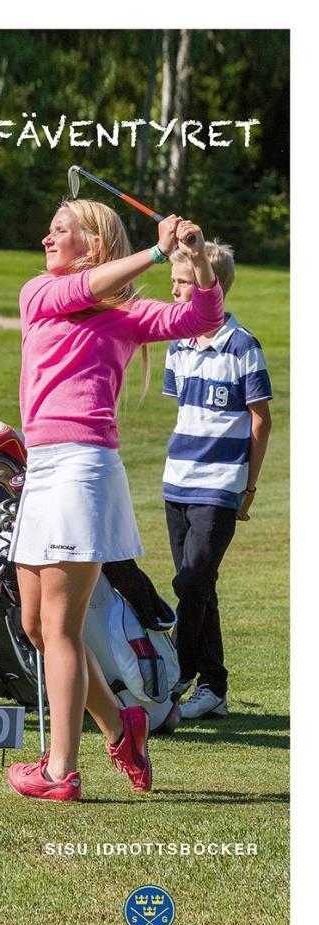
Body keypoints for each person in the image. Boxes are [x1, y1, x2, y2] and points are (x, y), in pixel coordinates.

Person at [6, 198, 224, 802]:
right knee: (35, 623)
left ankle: (60, 771)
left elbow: (201, 319)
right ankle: (121, 725)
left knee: (61, 626)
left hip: (83, 469)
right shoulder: (38, 293)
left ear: (93, 244)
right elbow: (83, 289)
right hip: (42, 467)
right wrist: (155, 251)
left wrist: (196, 259)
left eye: (60, 231)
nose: (46, 238)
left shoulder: (126, 314)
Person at [162, 242, 272, 719]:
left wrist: (247, 488)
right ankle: (215, 687)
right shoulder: (177, 345)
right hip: (176, 483)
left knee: (191, 582)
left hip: (221, 487)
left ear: (212, 285)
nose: (174, 291)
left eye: (182, 283)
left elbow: (261, 421)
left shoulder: (243, 346)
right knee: (199, 585)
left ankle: (178, 675)